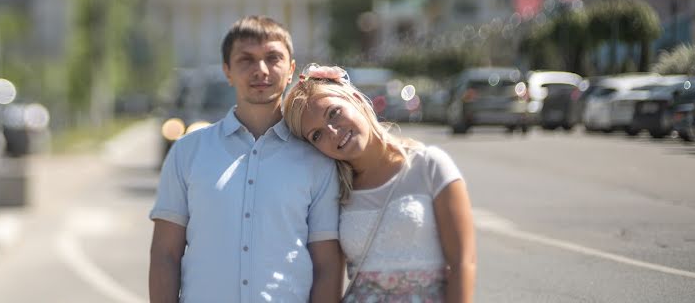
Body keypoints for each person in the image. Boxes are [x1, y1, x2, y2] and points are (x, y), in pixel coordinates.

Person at [149, 16, 343, 303]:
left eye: (273, 58)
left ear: (290, 70)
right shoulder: (187, 152)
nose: (261, 70)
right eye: (246, 60)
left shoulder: (317, 160)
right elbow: (165, 254)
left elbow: (327, 267)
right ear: (227, 71)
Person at [283, 64, 476, 303]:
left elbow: (462, 263)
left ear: (355, 99)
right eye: (317, 135)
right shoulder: (334, 190)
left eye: (333, 113)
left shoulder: (430, 165)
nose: (332, 132)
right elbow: (327, 273)